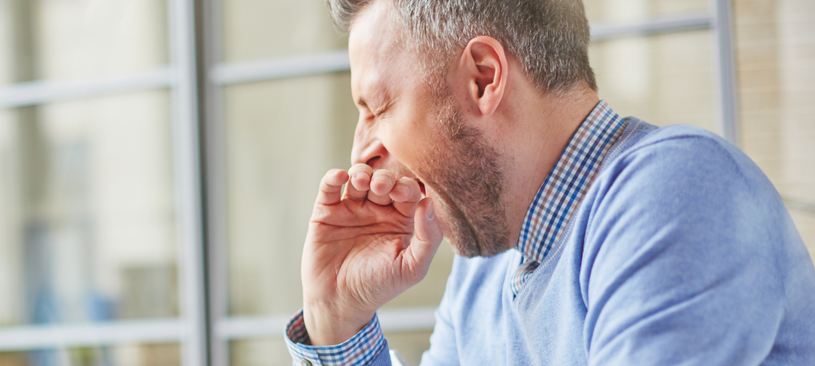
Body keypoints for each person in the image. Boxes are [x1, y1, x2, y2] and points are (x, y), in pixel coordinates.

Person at [282, 0, 815, 365]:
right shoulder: (483, 278)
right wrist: (337, 319)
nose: (361, 153)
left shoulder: (675, 196)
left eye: (377, 108)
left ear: (484, 78)